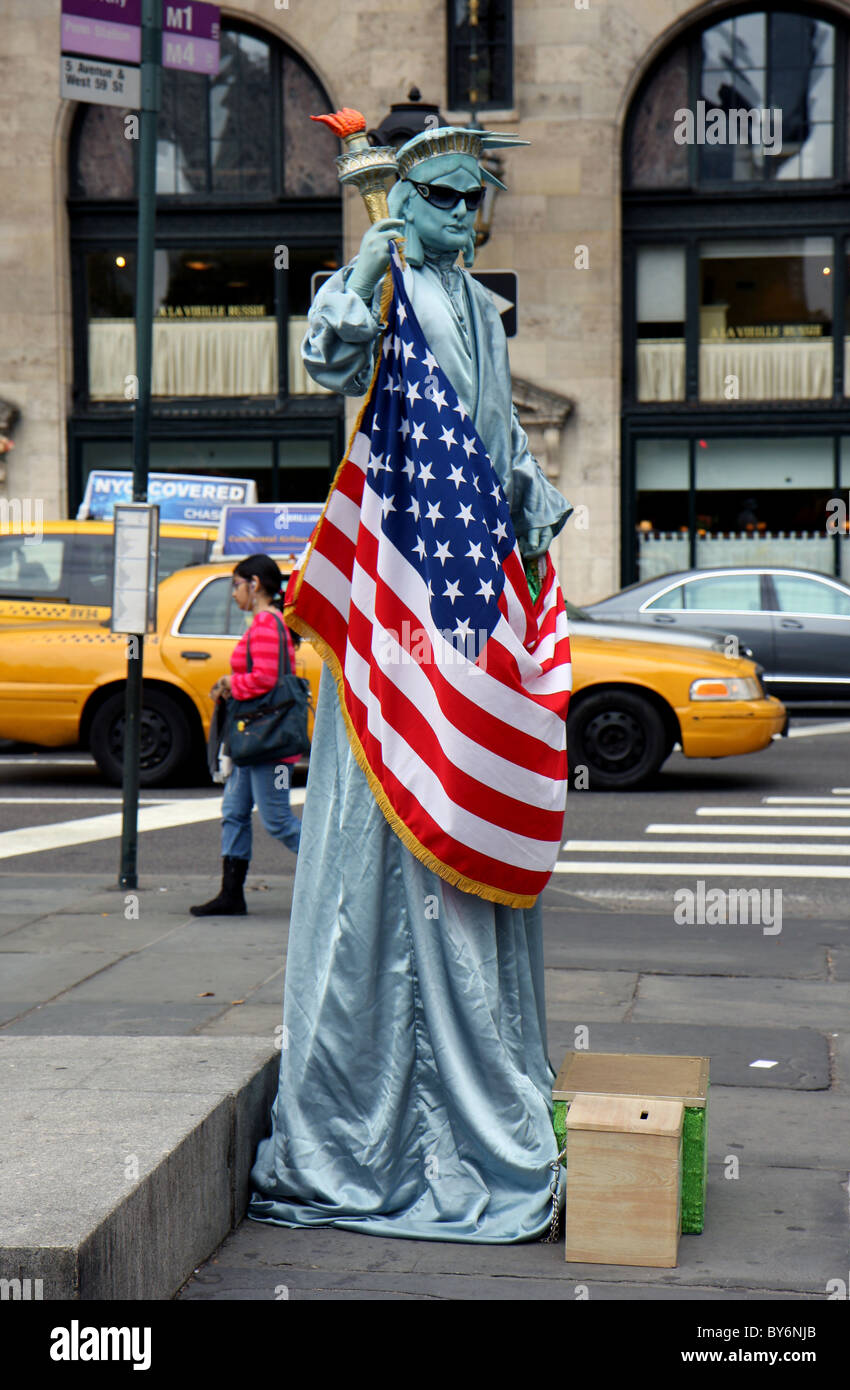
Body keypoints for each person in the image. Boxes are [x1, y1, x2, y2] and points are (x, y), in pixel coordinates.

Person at [247, 126, 572, 1241]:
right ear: (401, 198)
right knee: (375, 841)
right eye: (441, 197)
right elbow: (327, 356)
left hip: (467, 604)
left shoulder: (479, 309)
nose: (464, 217)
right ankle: (362, 1119)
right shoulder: (384, 288)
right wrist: (374, 253)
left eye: (474, 199)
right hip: (394, 618)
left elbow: (494, 441)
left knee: (464, 808)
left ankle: (480, 1089)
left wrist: (533, 500)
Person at [190, 553, 303, 917]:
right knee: (234, 811)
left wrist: (228, 683)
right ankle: (231, 894)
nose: (234, 593)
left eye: (236, 585)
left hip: (264, 742)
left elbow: (265, 680)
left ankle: (338, 876)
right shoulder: (266, 622)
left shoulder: (267, 624)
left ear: (255, 584)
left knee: (278, 821)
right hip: (251, 739)